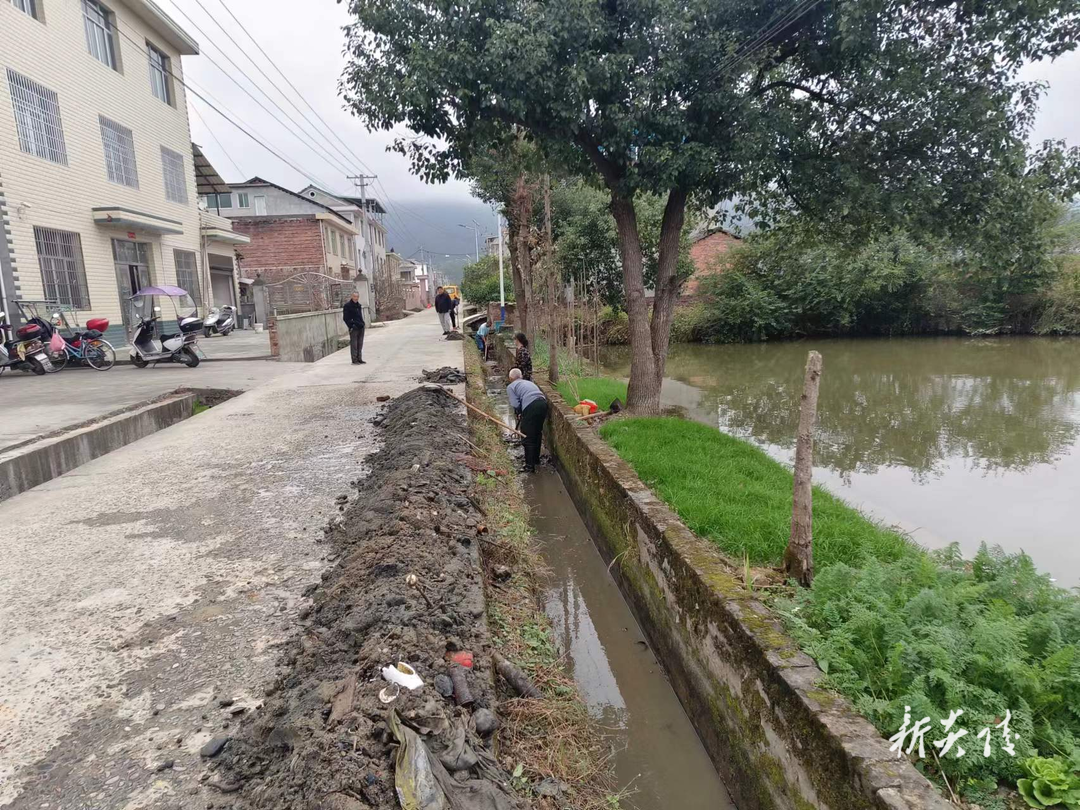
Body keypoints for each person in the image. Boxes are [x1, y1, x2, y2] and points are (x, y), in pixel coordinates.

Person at [507, 367, 548, 473]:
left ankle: (529, 466)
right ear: (520, 376)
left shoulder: (511, 386)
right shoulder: (528, 383)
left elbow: (515, 404)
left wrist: (520, 412)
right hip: (543, 403)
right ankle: (535, 460)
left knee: (527, 436)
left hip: (531, 405)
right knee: (537, 433)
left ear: (510, 378)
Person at [343, 291, 366, 364]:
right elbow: (345, 318)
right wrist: (351, 325)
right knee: (354, 344)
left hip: (361, 326)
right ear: (352, 297)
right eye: (354, 296)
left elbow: (360, 316)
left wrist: (362, 323)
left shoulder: (358, 305)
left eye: (357, 297)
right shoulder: (347, 306)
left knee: (360, 343)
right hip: (354, 327)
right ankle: (354, 359)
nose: (356, 298)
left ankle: (359, 358)